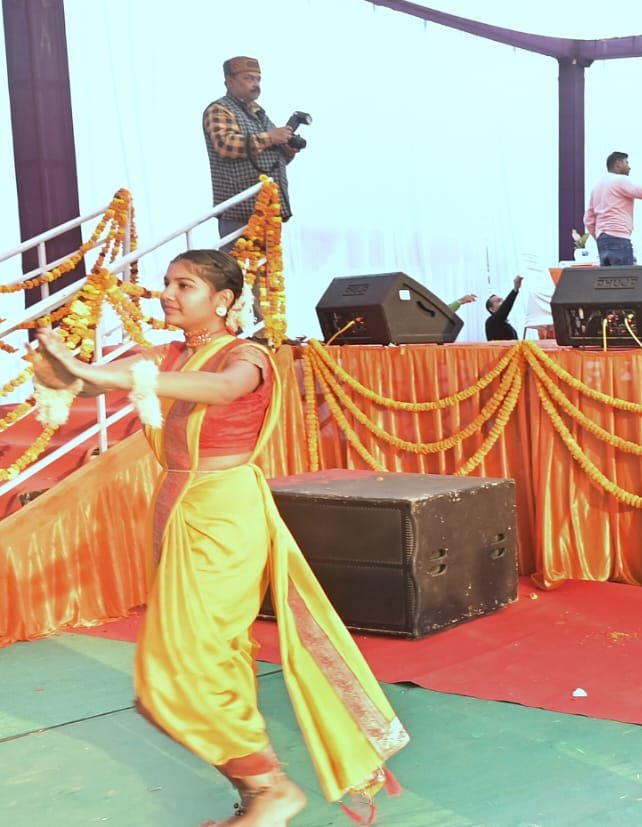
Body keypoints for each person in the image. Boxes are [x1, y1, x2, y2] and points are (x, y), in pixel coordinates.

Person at [23, 249, 407, 826]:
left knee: (185, 665)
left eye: (185, 285)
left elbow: (223, 390)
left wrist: (109, 375)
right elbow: (90, 387)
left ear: (223, 300)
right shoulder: (172, 355)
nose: (167, 294)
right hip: (176, 508)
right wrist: (59, 372)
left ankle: (272, 789)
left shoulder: (246, 357)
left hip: (224, 515)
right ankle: (259, 793)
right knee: (201, 662)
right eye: (167, 283)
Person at [204, 56, 297, 246]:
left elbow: (267, 159)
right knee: (235, 263)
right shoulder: (219, 110)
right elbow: (226, 145)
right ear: (229, 81)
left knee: (268, 265)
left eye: (258, 79)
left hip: (268, 210)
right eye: (248, 78)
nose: (255, 84)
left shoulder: (259, 113)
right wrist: (271, 137)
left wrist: (286, 151)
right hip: (239, 210)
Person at [584, 151, 642, 266]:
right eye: (626, 163)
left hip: (602, 240)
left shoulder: (597, 187)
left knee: (607, 276)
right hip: (619, 237)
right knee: (624, 276)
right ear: (618, 164)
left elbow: (588, 219)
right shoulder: (620, 180)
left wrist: (600, 236)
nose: (630, 167)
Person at [485, 275, 522, 341]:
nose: (503, 302)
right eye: (498, 301)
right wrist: (515, 289)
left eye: (503, 300)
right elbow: (504, 309)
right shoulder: (491, 321)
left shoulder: (506, 324)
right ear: (492, 309)